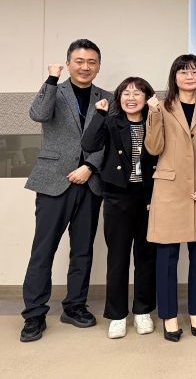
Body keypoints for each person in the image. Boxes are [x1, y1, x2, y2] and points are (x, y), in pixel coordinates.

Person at [20, 39, 112, 343]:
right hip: (53, 180)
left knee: (82, 250)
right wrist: (51, 78)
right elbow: (38, 114)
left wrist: (90, 167)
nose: (85, 67)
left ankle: (74, 307)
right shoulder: (54, 91)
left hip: (90, 183)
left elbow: (110, 140)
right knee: (43, 250)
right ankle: (34, 314)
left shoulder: (107, 98)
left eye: (91, 62)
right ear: (69, 63)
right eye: (79, 61)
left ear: (99, 66)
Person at [145, 54, 196, 342]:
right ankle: (169, 315)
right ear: (174, 77)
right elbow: (154, 148)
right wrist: (153, 115)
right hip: (169, 190)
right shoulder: (162, 107)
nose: (190, 77)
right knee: (167, 257)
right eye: (184, 72)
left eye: (195, 72)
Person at [81, 77, 158, 339]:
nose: (131, 98)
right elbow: (89, 145)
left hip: (148, 196)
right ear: (119, 98)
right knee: (117, 257)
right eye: (126, 93)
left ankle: (143, 311)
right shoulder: (111, 121)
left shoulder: (154, 122)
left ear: (147, 98)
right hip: (117, 196)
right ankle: (117, 315)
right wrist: (100, 114)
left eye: (137, 93)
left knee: (146, 256)